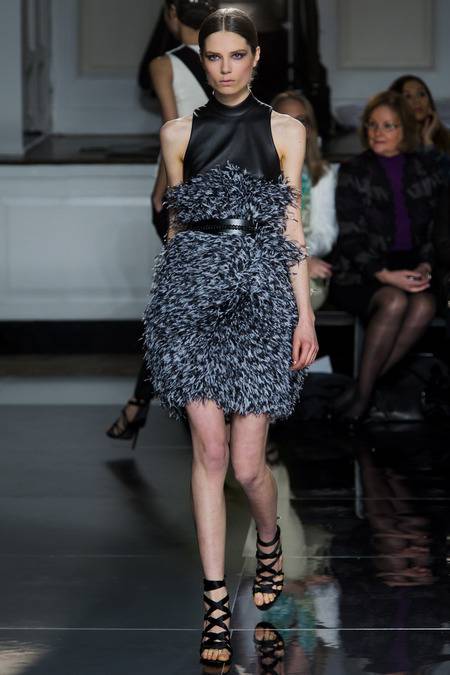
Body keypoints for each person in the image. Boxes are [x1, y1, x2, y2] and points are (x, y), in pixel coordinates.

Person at [143, 7, 318, 669]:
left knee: (248, 467)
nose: (224, 68)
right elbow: (177, 224)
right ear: (203, 59)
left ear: (255, 57)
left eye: (235, 56)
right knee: (209, 452)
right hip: (191, 294)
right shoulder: (177, 132)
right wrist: (169, 302)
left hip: (261, 296)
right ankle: (214, 602)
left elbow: (291, 226)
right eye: (213, 57)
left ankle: (269, 539)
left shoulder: (285, 130)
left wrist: (303, 316)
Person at [106, 0, 218, 446]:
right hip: (228, 192)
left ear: (172, 13)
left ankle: (145, 404)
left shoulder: (163, 64)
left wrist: (165, 194)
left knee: (180, 310)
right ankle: (168, 403)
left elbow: (174, 129)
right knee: (190, 307)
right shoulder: (228, 58)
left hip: (186, 194)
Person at [330, 90, 444, 426]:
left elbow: (433, 232)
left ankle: (359, 390)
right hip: (360, 273)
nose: (377, 132)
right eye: (372, 124)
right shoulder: (353, 171)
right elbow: (350, 238)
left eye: (389, 126)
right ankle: (363, 399)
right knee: (394, 301)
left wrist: (425, 265)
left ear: (405, 129)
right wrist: (382, 274)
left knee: (424, 305)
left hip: (410, 266)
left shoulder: (426, 170)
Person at [272, 90, 338, 310]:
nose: (293, 128)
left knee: (305, 297)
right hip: (264, 264)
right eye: (285, 121)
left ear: (309, 129)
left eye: (300, 121)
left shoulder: (321, 174)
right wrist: (297, 259)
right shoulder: (254, 171)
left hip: (308, 259)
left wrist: (304, 255)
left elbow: (325, 233)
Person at [389, 75, 450, 155]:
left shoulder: (447, 138)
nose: (417, 101)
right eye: (408, 96)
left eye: (421, 94)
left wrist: (427, 140)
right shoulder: (389, 143)